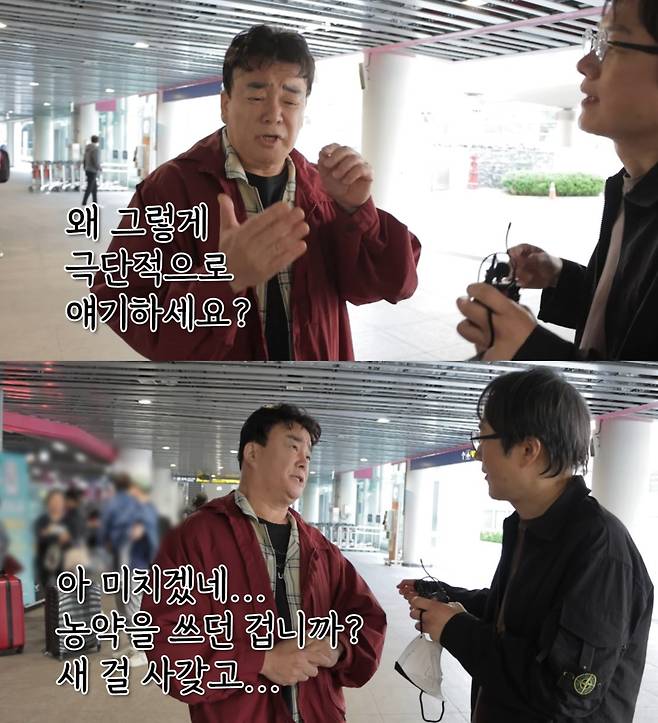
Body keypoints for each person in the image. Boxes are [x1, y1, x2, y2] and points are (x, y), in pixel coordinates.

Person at [91, 24, 420, 361]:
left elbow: (395, 284)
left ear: (303, 110)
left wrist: (358, 211)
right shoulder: (171, 188)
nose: (274, 114)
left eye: (290, 99)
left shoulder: (324, 188)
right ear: (225, 104)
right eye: (256, 97)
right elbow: (118, 299)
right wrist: (223, 279)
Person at [398, 367, 653, 723]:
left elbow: (564, 691)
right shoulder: (527, 525)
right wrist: (445, 597)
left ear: (528, 450)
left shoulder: (600, 548)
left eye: (483, 438)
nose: (478, 455)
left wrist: (455, 629)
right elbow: (519, 618)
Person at [141, 404, 386, 722]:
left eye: (308, 455)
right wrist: (262, 661)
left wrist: (339, 647)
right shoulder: (197, 538)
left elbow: (368, 619)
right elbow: (167, 644)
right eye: (293, 447)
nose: (304, 461)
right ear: (253, 453)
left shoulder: (320, 548)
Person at [456, 0, 658, 361]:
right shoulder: (629, 189)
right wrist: (560, 277)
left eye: (612, 43)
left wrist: (529, 350)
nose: (586, 63)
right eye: (596, 42)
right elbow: (628, 323)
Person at [81, 134, 101, 206]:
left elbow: (84, 159)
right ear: (97, 140)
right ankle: (84, 201)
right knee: (90, 186)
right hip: (93, 170)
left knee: (94, 187)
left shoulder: (87, 148)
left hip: (87, 169)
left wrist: (85, 167)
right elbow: (95, 159)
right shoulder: (95, 148)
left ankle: (95, 202)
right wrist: (98, 167)